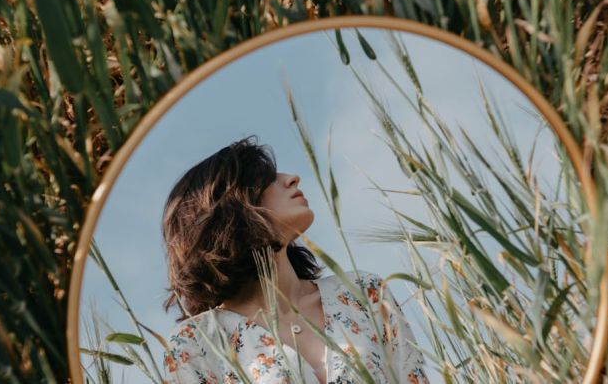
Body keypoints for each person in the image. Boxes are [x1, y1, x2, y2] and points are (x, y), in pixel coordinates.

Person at [162, 136, 428, 384]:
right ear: (230, 207)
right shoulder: (196, 344)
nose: (292, 178)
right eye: (266, 179)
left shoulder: (363, 294)